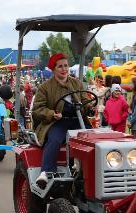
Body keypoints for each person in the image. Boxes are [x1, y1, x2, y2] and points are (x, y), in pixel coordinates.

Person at [33, 53, 92, 189]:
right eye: (60, 66)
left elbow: (85, 101)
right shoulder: (45, 87)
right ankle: (45, 172)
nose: (64, 69)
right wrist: (52, 114)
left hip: (78, 120)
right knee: (54, 139)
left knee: (92, 140)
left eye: (66, 66)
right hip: (57, 122)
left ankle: (91, 172)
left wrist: (89, 107)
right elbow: (37, 109)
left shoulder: (77, 83)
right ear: (54, 69)